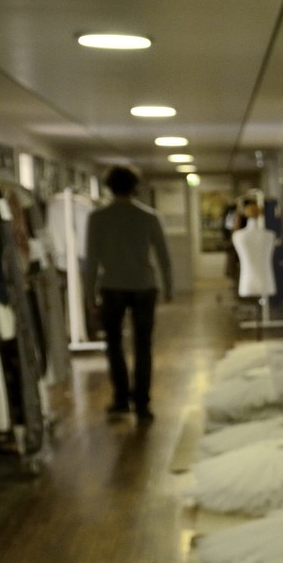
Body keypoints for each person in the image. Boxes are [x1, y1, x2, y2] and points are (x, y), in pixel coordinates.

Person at [83, 165, 172, 422]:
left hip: (112, 286)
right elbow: (163, 256)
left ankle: (121, 399)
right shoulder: (148, 216)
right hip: (144, 286)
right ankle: (142, 404)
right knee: (143, 346)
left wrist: (89, 294)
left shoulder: (98, 218)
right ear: (135, 186)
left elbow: (91, 259)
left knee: (114, 345)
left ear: (109, 187)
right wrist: (168, 287)